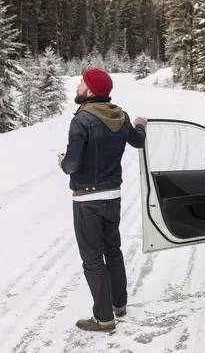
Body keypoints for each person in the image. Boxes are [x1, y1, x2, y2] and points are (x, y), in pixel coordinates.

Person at [58, 67, 147, 332]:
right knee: (113, 250)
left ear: (91, 90)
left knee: (93, 259)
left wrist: (62, 162)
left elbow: (73, 164)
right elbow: (139, 141)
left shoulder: (82, 120)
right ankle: (119, 305)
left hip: (87, 200)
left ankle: (104, 317)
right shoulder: (121, 115)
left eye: (81, 84)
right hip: (113, 197)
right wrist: (140, 124)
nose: (77, 88)